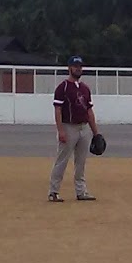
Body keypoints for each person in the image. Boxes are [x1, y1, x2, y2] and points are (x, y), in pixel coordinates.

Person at [48, 56, 100, 202]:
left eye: (80, 66)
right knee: (62, 160)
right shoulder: (63, 87)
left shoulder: (85, 88)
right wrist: (61, 130)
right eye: (75, 66)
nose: (78, 69)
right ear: (69, 68)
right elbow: (57, 110)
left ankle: (81, 191)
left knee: (81, 161)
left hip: (83, 127)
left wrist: (96, 133)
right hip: (68, 126)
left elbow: (89, 111)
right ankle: (53, 191)